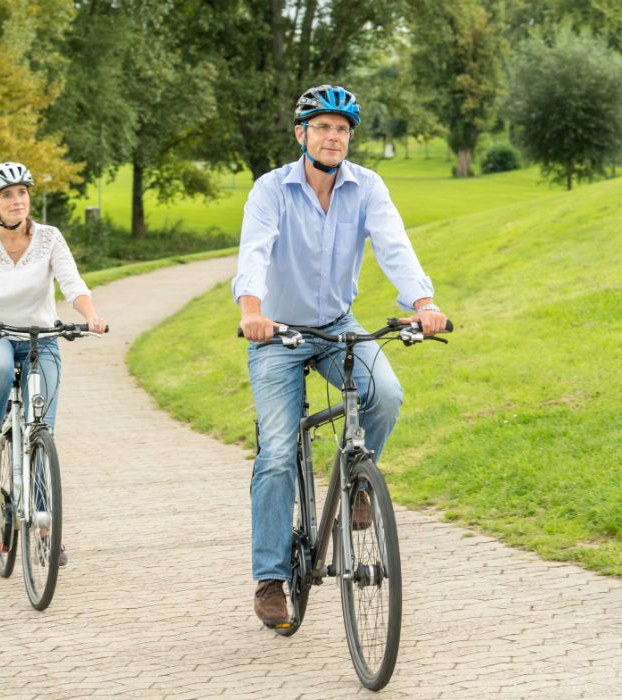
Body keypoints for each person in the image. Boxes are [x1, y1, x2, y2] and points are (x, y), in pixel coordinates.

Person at [232, 85, 448, 625]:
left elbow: (394, 246)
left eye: (343, 129)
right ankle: (271, 577)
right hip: (275, 330)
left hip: (336, 324)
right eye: (324, 127)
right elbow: (254, 251)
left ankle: (355, 483)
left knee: (385, 394)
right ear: (301, 134)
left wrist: (423, 304)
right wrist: (251, 310)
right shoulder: (271, 189)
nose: (334, 137)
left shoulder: (367, 186)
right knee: (277, 452)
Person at [0, 162, 105, 559]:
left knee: (41, 429)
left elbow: (72, 283)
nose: (16, 200)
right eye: (7, 195)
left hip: (42, 338)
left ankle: (44, 531)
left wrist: (91, 315)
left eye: (21, 193)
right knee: (1, 369)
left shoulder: (49, 237)